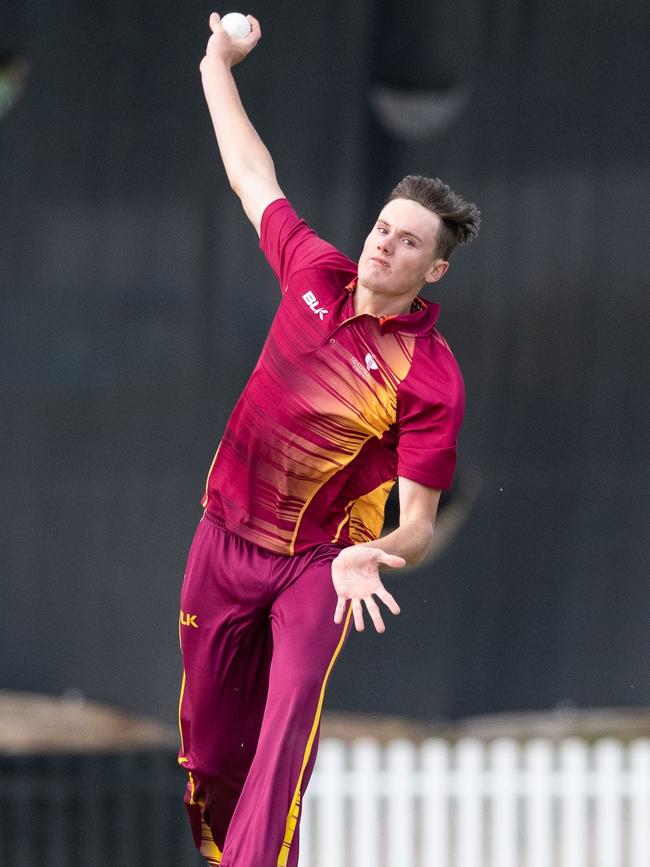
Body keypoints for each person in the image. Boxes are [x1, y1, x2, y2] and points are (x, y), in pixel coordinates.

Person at [178, 12, 481, 867]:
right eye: (384, 227)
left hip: (322, 564)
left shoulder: (429, 374)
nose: (385, 244)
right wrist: (215, 64)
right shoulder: (314, 271)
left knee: (285, 736)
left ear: (436, 269)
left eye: (408, 241)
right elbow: (250, 172)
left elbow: (418, 523)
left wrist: (375, 552)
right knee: (210, 756)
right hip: (222, 540)